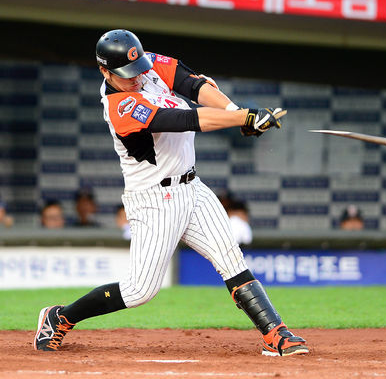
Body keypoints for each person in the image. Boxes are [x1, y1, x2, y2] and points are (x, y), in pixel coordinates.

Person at [34, 29, 307, 357]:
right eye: (126, 74)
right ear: (105, 71)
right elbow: (185, 119)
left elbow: (194, 86)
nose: (137, 77)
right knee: (139, 291)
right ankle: (60, 317)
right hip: (153, 199)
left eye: (138, 69)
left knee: (231, 259)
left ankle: (275, 333)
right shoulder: (119, 106)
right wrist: (240, 117)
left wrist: (237, 112)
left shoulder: (145, 63)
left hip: (192, 187)